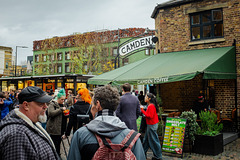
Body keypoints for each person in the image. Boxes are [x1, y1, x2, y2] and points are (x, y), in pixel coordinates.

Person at [67, 85, 145, 160]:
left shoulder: (80, 135)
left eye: (92, 104)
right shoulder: (133, 138)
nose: (91, 108)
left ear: (98, 104)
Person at [0, 86, 59, 159]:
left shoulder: (31, 123)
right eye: (41, 104)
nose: (45, 107)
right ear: (26, 105)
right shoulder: (17, 135)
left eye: (46, 103)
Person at [46, 88, 68, 157]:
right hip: (54, 128)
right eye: (62, 99)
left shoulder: (64, 105)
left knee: (59, 143)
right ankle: (55, 156)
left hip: (61, 128)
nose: (63, 101)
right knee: (55, 144)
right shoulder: (52, 104)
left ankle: (57, 155)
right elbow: (50, 113)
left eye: (64, 99)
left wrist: (67, 114)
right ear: (58, 98)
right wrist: (60, 110)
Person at [140, 93, 162, 160]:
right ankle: (143, 154)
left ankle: (158, 156)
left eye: (146, 97)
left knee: (154, 141)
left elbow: (149, 116)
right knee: (145, 140)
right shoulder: (150, 105)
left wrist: (142, 110)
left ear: (149, 99)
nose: (145, 98)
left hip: (152, 125)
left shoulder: (151, 106)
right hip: (150, 124)